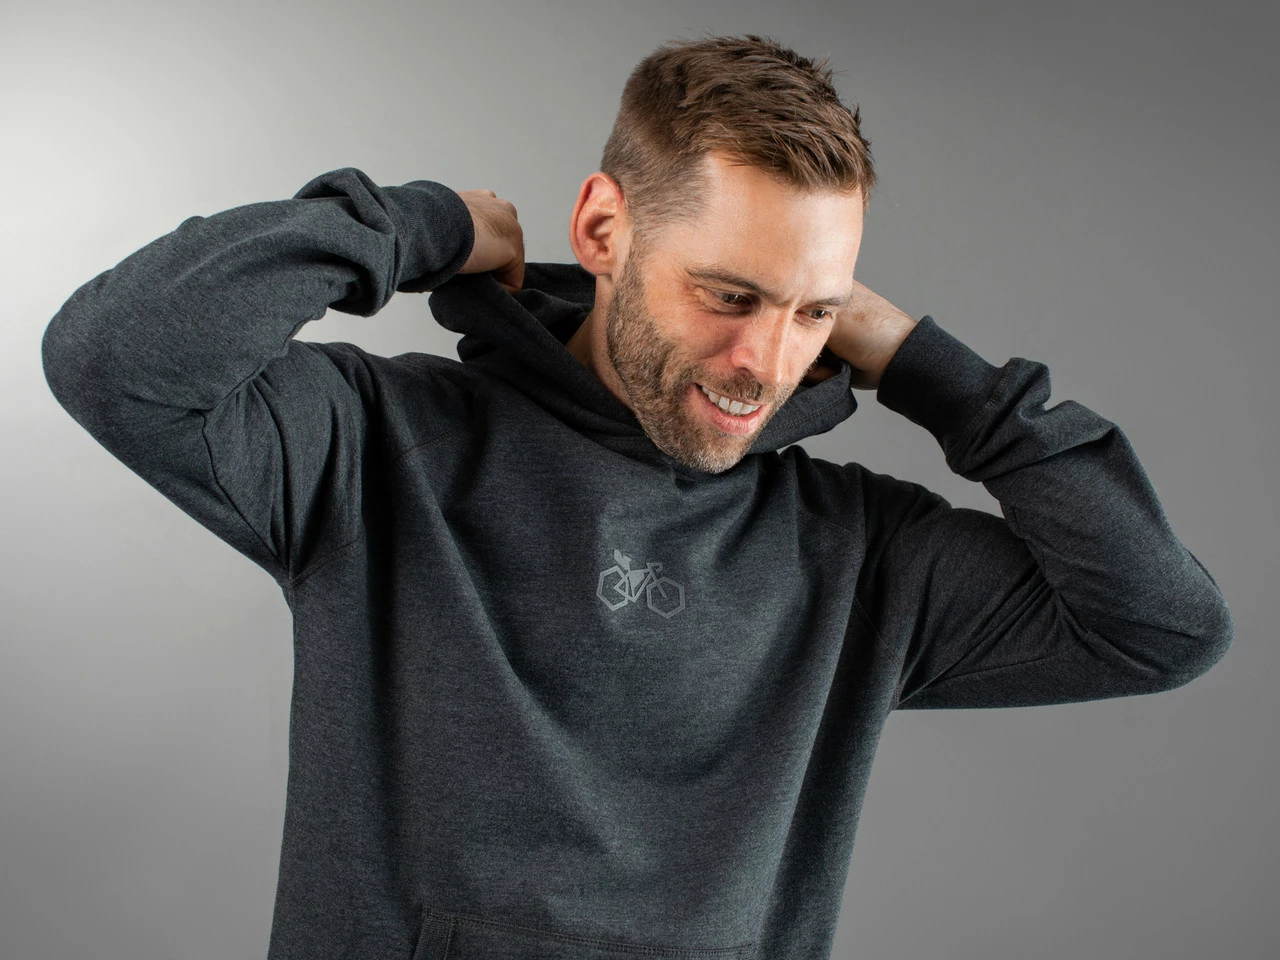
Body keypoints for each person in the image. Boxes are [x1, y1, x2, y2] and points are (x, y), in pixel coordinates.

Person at [41, 32, 1232, 960]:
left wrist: (929, 369)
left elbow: (1159, 625)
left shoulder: (859, 556)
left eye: (813, 313)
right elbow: (114, 355)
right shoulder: (375, 450)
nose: (764, 363)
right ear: (603, 228)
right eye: (729, 295)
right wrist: (417, 225)